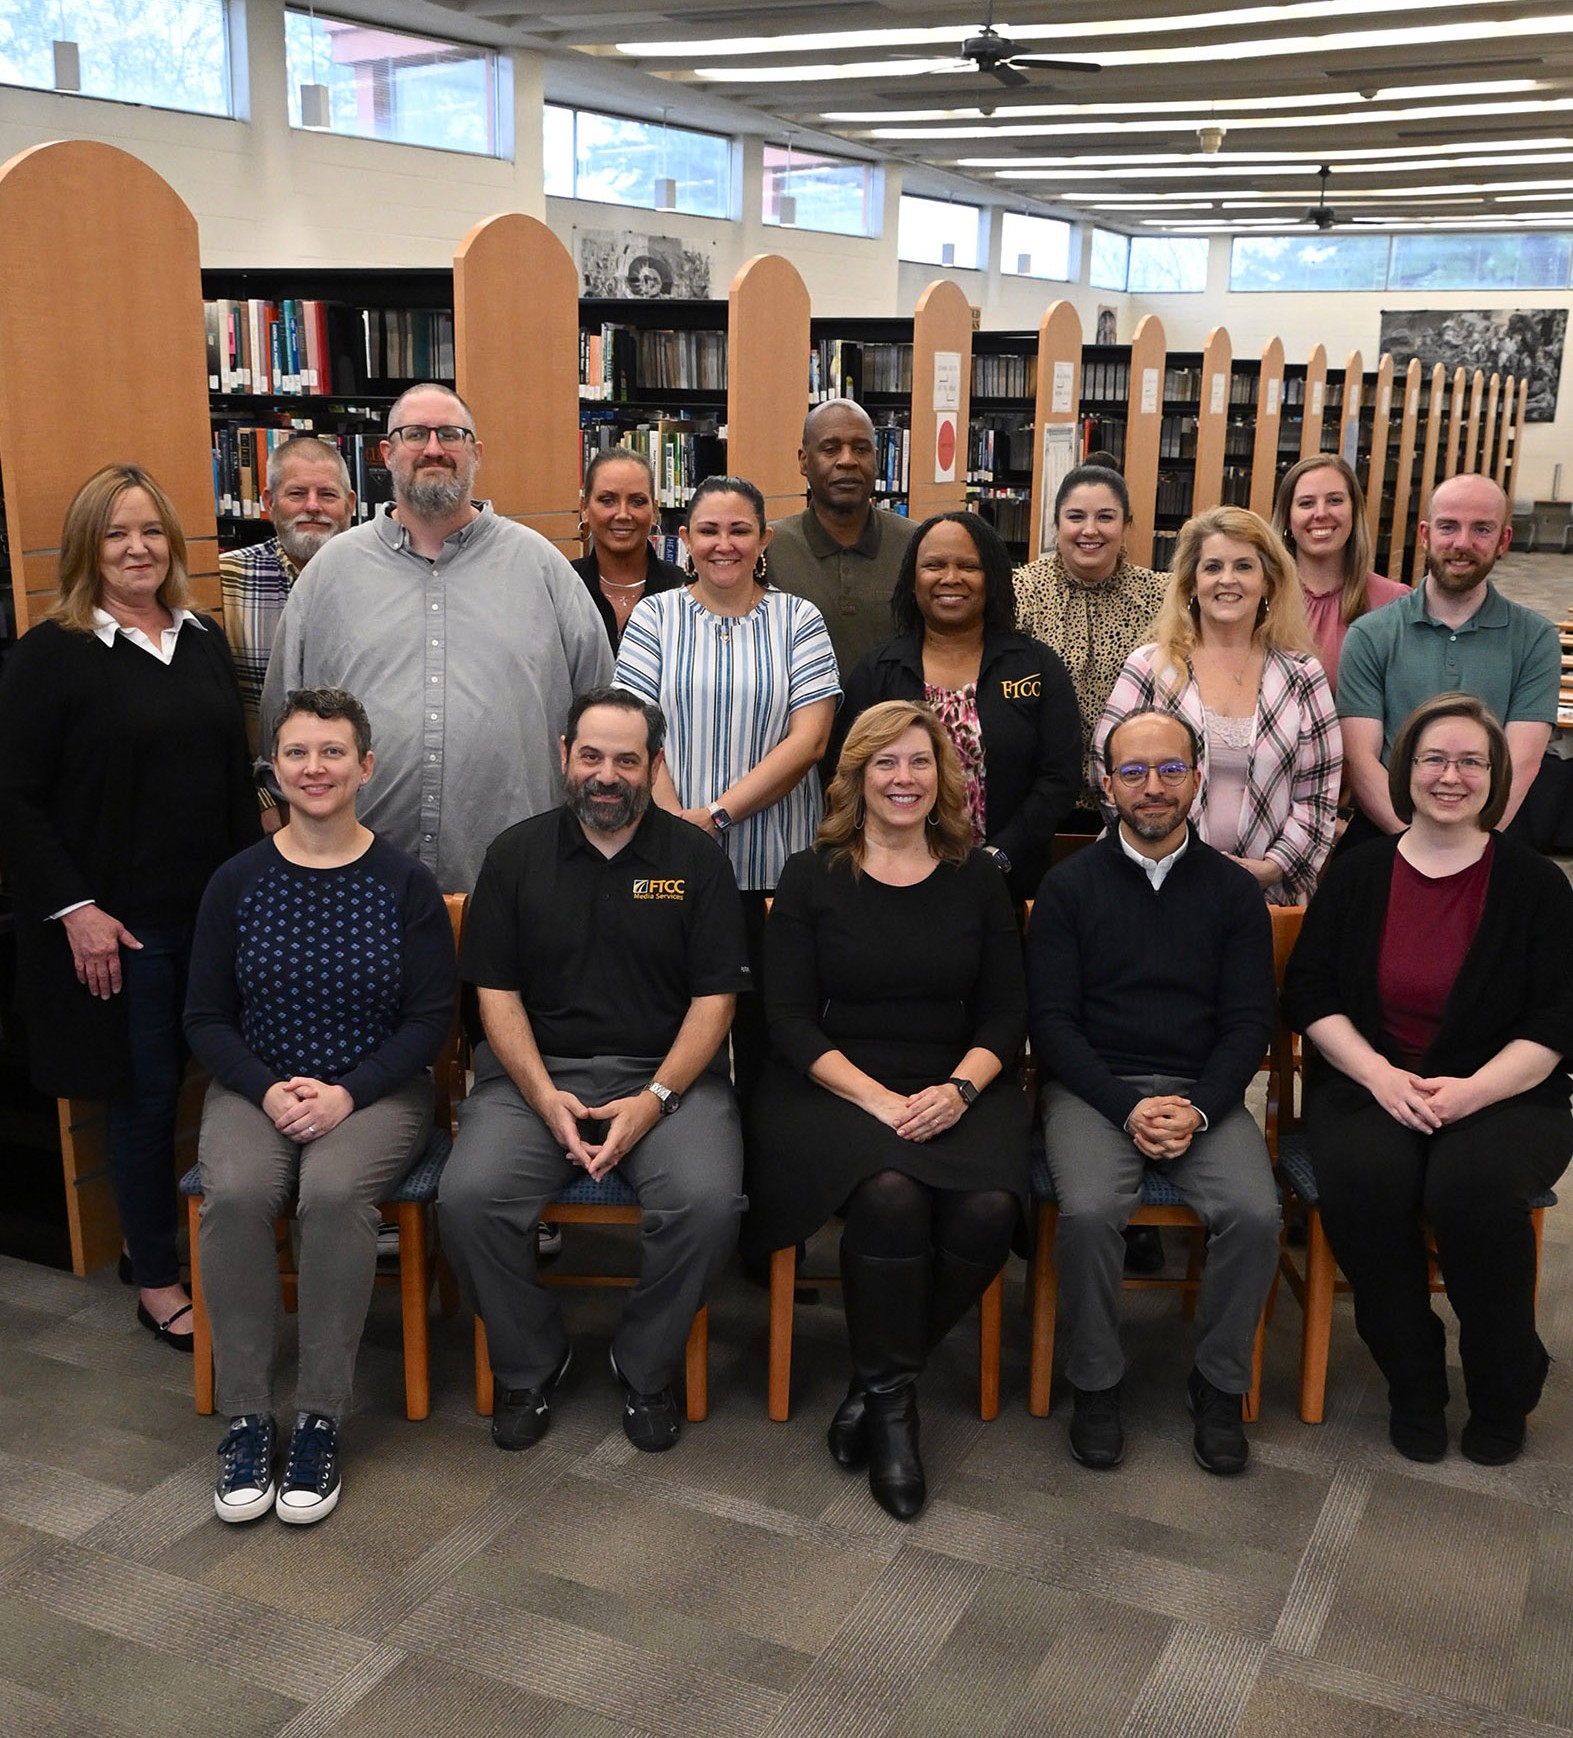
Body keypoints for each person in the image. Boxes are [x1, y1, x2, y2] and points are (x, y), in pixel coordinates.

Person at [440, 688, 749, 1454]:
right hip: (532, 1077)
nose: (605, 775)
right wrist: (543, 1096)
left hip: (670, 1079)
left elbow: (715, 1002)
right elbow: (495, 996)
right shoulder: (513, 856)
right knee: (470, 1198)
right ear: (563, 756)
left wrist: (654, 1099)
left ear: (654, 765)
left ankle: (643, 1364)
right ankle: (530, 1361)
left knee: (708, 1204)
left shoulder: (697, 861)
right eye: (590, 756)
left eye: (625, 760)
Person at [747, 701, 1030, 1521]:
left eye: (918, 762)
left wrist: (959, 1091)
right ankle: (897, 1417)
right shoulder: (811, 875)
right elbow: (787, 1021)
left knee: (988, 1208)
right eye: (884, 762)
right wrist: (878, 1100)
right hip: (831, 1084)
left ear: (942, 776)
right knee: (889, 1194)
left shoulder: (978, 876)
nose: (903, 779)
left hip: (954, 1078)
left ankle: (873, 1387)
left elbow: (1005, 1014)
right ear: (856, 777)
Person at [0, 465, 259, 1351]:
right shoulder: (51, 654)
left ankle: (163, 1245)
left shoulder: (201, 638)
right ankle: (154, 1277)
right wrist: (76, 909)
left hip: (210, 917)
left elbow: (232, 781)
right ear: (87, 548)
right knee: (145, 1104)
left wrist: (250, 899)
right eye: (116, 534)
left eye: (150, 531)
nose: (137, 549)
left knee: (214, 1090)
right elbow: (15, 799)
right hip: (120, 931)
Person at [184, 688, 455, 1525]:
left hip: (376, 1089)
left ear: (365, 767)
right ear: (274, 769)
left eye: (332, 752)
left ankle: (317, 1419)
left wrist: (346, 1093)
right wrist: (268, 1088)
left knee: (334, 1195)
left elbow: (430, 1020)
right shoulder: (236, 881)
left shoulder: (405, 883)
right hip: (255, 1084)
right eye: (296, 753)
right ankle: (244, 1417)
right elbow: (205, 1017)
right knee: (235, 1193)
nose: (314, 768)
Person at [1283, 693, 1573, 1467]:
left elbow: (1556, 1021)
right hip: (1371, 1083)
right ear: (1404, 770)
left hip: (1506, 1094)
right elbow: (1308, 992)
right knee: (1365, 1181)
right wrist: (1378, 1075)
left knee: (1470, 1190)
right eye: (1433, 759)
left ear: (1495, 775)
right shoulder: (1356, 873)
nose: (1450, 776)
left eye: (1470, 762)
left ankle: (1503, 1384)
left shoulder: (1536, 885)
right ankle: (1412, 1380)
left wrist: (1471, 1091)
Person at [1026, 708, 1278, 1475]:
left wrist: (1198, 1108)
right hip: (1093, 1091)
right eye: (1132, 772)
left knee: (1254, 1214)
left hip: (1204, 1093)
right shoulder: (1067, 888)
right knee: (1088, 1211)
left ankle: (1217, 1384)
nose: (1153, 787)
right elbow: (1052, 1025)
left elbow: (1248, 1023)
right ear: (1106, 786)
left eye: (1170, 769)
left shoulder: (1233, 893)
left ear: (1197, 778)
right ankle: (1096, 1382)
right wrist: (1125, 1106)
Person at [261, 382, 612, 894]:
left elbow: (599, 713)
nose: (432, 449)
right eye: (415, 434)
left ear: (476, 453)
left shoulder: (543, 569)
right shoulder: (328, 575)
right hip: (356, 885)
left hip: (516, 881)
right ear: (387, 453)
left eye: (450, 434)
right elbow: (280, 721)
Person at [614, 474, 839, 1102]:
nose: (724, 544)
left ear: (764, 539)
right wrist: (676, 831)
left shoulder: (799, 619)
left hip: (777, 870)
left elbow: (810, 741)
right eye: (708, 530)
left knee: (774, 1034)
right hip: (670, 866)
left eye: (740, 530)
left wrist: (713, 817)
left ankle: (768, 1154)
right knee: (674, 1029)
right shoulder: (655, 616)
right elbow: (634, 734)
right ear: (684, 539)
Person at [1092, 506, 1340, 906]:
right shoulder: (1149, 667)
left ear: (1268, 582)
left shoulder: (1303, 675)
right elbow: (1108, 774)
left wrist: (1273, 866)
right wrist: (1172, 859)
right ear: (1192, 583)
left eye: (1243, 566)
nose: (1227, 579)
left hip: (1265, 895)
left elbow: (1319, 794)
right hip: (1149, 887)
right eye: (1212, 567)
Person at [835, 509, 1080, 903]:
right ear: (912, 579)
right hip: (890, 881)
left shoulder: (1036, 666)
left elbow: (1059, 778)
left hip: (1008, 884)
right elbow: (845, 774)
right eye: (934, 565)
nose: (951, 578)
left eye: (968, 566)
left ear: (992, 578)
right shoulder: (877, 671)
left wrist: (999, 857)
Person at [1337, 472, 1558, 841]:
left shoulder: (1536, 639)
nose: (1462, 542)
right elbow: (1362, 761)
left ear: (1504, 541)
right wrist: (1418, 845)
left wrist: (1464, 848)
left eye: (1481, 529)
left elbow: (1520, 765)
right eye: (1448, 526)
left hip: (1489, 832)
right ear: (1425, 535)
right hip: (1387, 831)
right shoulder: (1370, 634)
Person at [1013, 463, 1167, 827]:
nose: (1090, 530)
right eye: (1076, 516)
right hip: (1034, 798)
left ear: (1126, 525)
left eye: (1106, 517)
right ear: (1057, 524)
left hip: (1134, 799)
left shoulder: (1161, 597)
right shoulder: (1020, 591)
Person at [219, 435, 357, 754]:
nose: (313, 506)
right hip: (262, 777)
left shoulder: (376, 582)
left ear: (350, 504)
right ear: (269, 502)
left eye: (327, 494)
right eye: (297, 493)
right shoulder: (226, 580)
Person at [767, 398, 919, 678]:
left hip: (894, 707)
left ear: (876, 460)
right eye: (830, 449)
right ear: (803, 460)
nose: (848, 460)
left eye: (861, 449)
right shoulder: (768, 547)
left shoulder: (917, 545)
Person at [1270, 454, 1406, 694]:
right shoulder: (1263, 598)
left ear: (1354, 511)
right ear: (1288, 518)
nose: (1321, 513)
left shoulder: (1395, 603)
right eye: (1306, 503)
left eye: (1334, 500)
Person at [572, 445, 685, 649]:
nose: (623, 514)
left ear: (655, 511)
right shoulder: (565, 585)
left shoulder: (683, 588)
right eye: (608, 500)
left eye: (637, 501)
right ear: (584, 509)